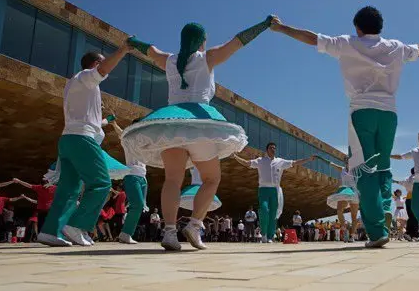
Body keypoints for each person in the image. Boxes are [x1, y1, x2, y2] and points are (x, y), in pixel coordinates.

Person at [269, 6, 419, 248]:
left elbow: (312, 38)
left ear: (357, 27)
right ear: (380, 27)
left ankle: (376, 231)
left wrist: (281, 27)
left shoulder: (346, 43)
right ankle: (384, 207)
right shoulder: (396, 46)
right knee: (383, 167)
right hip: (389, 114)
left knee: (363, 170)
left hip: (362, 112)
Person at [122, 16, 272, 251]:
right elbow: (238, 42)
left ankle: (169, 232)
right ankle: (194, 225)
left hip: (171, 124)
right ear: (201, 41)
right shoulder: (207, 58)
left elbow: (148, 49)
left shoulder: (170, 60)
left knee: (172, 180)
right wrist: (264, 25)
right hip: (200, 124)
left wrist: (132, 41)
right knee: (212, 179)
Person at [38, 42, 132, 247]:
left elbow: (91, 121)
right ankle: (77, 225)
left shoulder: (76, 84)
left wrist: (107, 120)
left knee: (69, 189)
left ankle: (50, 231)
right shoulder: (86, 77)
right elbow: (104, 69)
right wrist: (123, 50)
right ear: (96, 63)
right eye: (101, 61)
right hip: (83, 140)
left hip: (69, 139)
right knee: (101, 184)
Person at [233, 142, 315, 243]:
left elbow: (294, 162)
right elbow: (246, 163)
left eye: (274, 148)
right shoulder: (260, 161)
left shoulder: (280, 161)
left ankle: (270, 236)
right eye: (271, 148)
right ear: (267, 150)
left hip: (274, 191)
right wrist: (235, 156)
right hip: (263, 190)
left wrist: (308, 159)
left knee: (273, 214)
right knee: (264, 210)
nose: (273, 149)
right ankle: (263, 234)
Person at [110, 120, 149, 244]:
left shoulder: (145, 143)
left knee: (139, 207)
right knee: (136, 205)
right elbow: (121, 133)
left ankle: (126, 234)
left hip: (143, 178)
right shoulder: (128, 140)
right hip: (132, 176)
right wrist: (114, 123)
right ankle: (125, 234)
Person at [178, 168, 223, 239]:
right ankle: (193, 226)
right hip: (198, 187)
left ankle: (194, 228)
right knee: (203, 202)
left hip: (200, 187)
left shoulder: (195, 165)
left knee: (202, 204)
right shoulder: (203, 165)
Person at [326, 158, 360, 243]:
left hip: (354, 192)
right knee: (339, 210)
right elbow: (332, 164)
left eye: (349, 161)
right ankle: (345, 229)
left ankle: (352, 236)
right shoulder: (342, 169)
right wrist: (324, 160)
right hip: (345, 191)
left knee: (354, 216)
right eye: (346, 161)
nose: (347, 162)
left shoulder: (356, 170)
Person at [394, 168, 419, 240]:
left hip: (408, 199)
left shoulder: (407, 178)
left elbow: (400, 182)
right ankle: (414, 234)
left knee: (410, 217)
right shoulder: (417, 178)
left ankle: (409, 233)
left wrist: (394, 181)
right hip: (415, 198)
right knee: (415, 217)